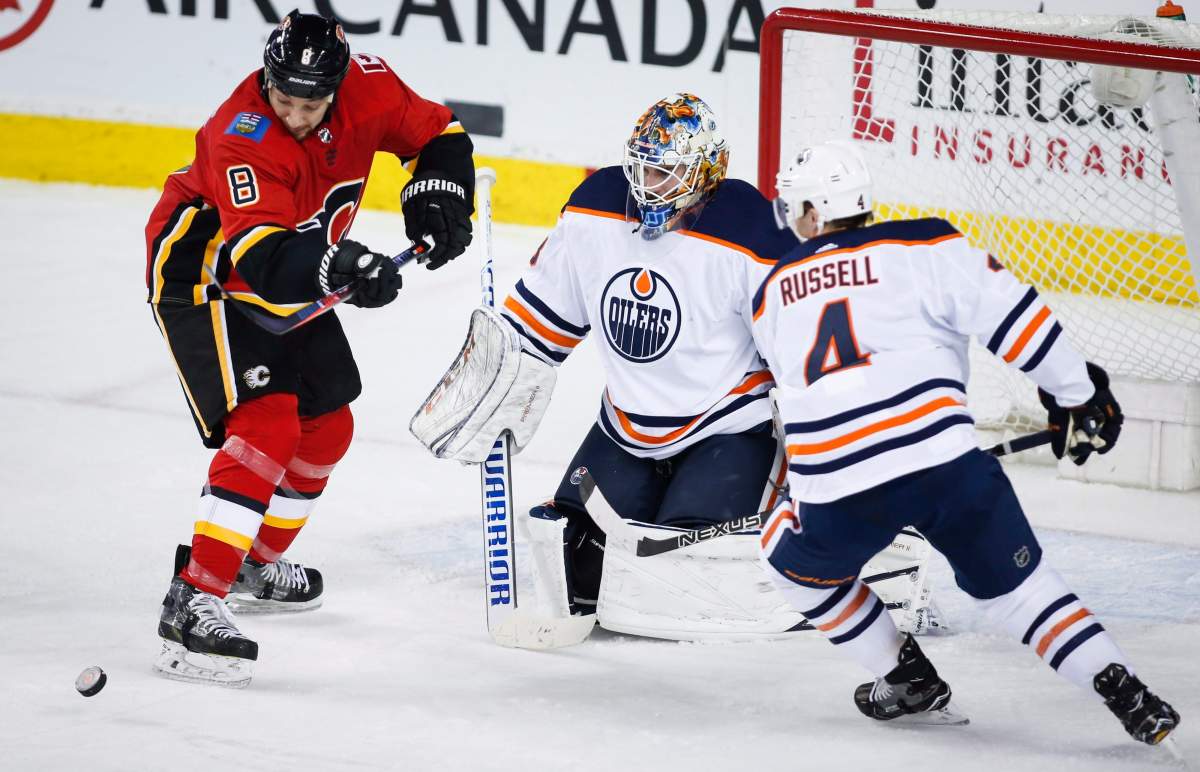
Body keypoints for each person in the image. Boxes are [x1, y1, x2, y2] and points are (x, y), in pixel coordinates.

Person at [751, 141, 1179, 745]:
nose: (792, 221)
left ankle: (903, 676)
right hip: (947, 465)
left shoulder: (769, 294)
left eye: (795, 208)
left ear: (816, 214)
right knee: (1022, 594)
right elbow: (1020, 321)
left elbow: (808, 402)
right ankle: (1126, 689)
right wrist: (1078, 395)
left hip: (840, 486)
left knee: (788, 563)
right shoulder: (926, 243)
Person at [144, 9, 475, 686]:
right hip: (207, 276)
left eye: (311, 103)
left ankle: (250, 566)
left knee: (327, 427)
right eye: (283, 98)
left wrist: (438, 192)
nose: (294, 114)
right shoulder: (238, 135)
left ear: (339, 86)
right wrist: (342, 268)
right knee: (266, 422)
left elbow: (439, 132)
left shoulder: (371, 88)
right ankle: (195, 599)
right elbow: (263, 257)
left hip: (290, 264)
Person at [497, 93, 799, 617]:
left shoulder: (751, 230)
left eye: (668, 171)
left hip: (725, 432)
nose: (648, 185)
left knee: (685, 579)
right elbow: (536, 325)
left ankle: (766, 503)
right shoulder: (597, 207)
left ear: (707, 170)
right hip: (624, 430)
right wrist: (496, 381)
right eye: (643, 167)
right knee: (577, 568)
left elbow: (801, 358)